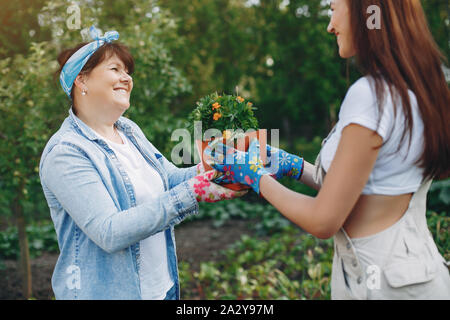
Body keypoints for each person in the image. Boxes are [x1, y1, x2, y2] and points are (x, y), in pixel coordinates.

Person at [208, 0, 450, 299]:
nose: (330, 25)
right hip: (415, 276)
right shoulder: (420, 89)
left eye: (334, 9)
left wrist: (254, 177)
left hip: (380, 286)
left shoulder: (371, 95)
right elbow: (366, 190)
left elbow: (323, 220)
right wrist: (293, 166)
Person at [39, 26, 246, 300]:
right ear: (82, 81)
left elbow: (168, 178)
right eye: (115, 69)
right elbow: (109, 231)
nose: (126, 78)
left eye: (127, 72)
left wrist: (215, 168)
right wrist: (194, 192)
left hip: (163, 290)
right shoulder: (66, 152)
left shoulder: (128, 130)